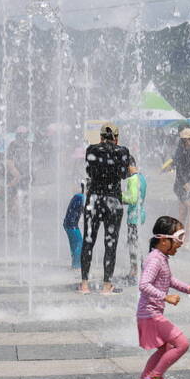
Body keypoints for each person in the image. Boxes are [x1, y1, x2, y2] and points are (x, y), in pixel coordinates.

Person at [134, 216, 190, 379]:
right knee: (182, 344)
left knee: (166, 348)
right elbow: (144, 284)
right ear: (164, 241)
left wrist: (188, 289)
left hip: (149, 314)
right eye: (179, 238)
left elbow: (168, 279)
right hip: (150, 314)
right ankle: (155, 377)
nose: (181, 243)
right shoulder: (155, 259)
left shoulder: (161, 257)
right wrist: (165, 297)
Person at [79, 123, 130, 295]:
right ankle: (106, 285)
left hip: (94, 199)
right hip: (113, 200)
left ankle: (84, 284)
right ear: (116, 138)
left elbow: (89, 171)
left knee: (88, 241)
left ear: (100, 137)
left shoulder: (91, 150)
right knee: (111, 243)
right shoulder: (122, 151)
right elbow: (124, 174)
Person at [121, 156, 147, 283]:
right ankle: (140, 270)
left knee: (133, 244)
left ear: (128, 166)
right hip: (140, 215)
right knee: (137, 243)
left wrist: (118, 196)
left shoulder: (132, 179)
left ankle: (135, 271)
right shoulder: (142, 177)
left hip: (133, 217)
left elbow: (132, 198)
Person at [63, 180, 85, 270]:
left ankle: (75, 264)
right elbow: (86, 209)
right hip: (71, 225)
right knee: (79, 243)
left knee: (75, 244)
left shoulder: (78, 196)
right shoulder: (80, 197)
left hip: (69, 224)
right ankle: (77, 266)